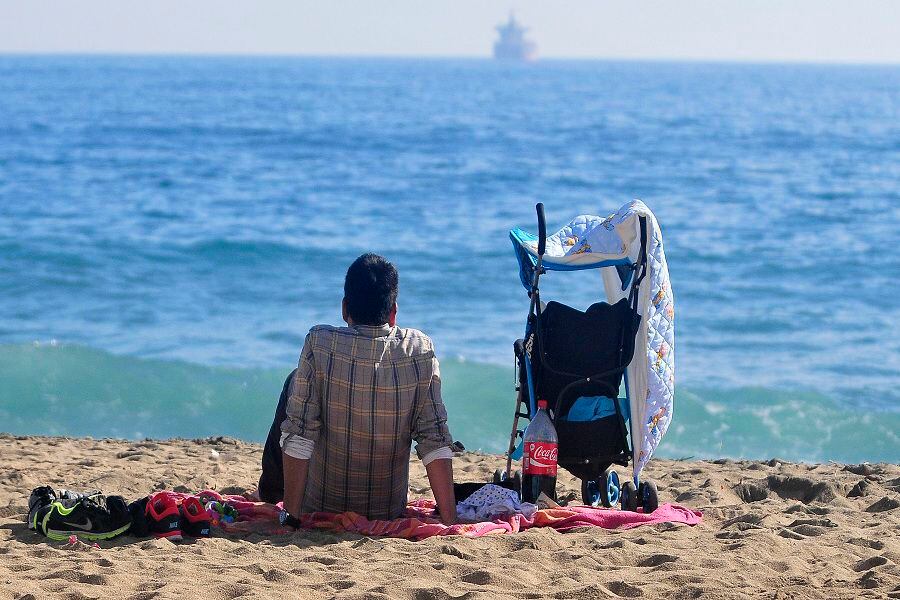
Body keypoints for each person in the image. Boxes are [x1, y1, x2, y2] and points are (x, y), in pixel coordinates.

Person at [258, 253, 457, 526]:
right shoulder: (419, 350)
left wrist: (292, 517)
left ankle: (274, 493)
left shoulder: (320, 344)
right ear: (393, 311)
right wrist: (450, 520)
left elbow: (300, 433)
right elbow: (434, 438)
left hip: (320, 503)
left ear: (344, 308)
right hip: (386, 509)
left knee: (295, 383)